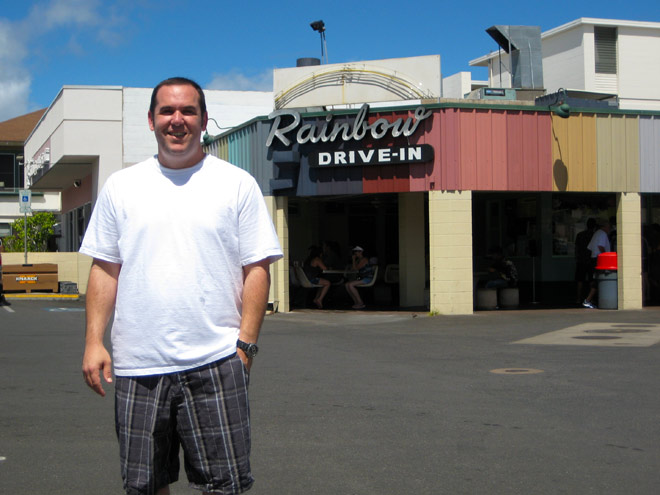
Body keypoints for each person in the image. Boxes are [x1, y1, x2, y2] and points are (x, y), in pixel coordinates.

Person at [80, 77, 283, 495]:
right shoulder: (122, 186)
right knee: (144, 485)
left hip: (216, 361)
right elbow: (104, 268)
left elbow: (257, 268)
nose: (178, 120)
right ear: (150, 120)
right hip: (139, 366)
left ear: (204, 119)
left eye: (188, 111)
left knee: (223, 485)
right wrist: (93, 341)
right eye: (167, 111)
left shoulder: (236, 184)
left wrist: (244, 346)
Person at [583, 220, 611, 308]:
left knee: (594, 279)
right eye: (609, 227)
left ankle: (593, 299)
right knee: (598, 280)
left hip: (593, 259)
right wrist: (606, 256)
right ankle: (588, 300)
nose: (609, 229)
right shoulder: (603, 234)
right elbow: (600, 246)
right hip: (599, 259)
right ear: (605, 227)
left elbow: (590, 247)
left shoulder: (596, 233)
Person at [574, 218, 597, 304]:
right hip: (591, 260)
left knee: (580, 280)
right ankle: (591, 298)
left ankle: (578, 298)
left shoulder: (580, 235)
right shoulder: (594, 235)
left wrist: (576, 257)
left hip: (581, 260)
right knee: (592, 279)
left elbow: (576, 248)